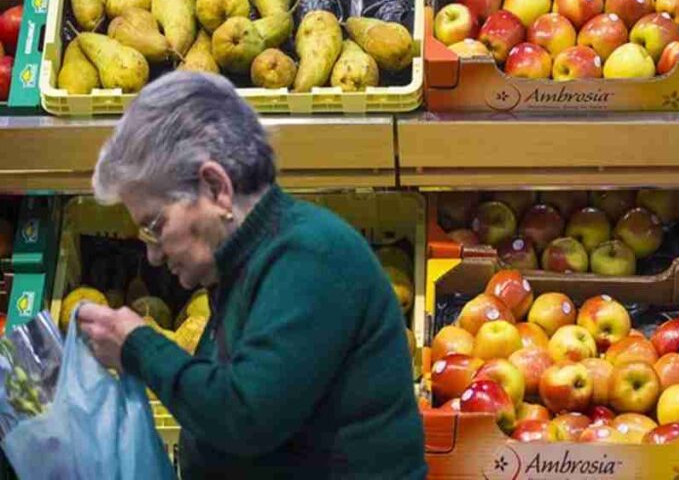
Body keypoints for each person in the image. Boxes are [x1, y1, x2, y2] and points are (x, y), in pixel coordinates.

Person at [77, 71, 426, 479]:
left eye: (155, 225)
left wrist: (138, 347)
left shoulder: (309, 259)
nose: (152, 255)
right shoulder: (243, 266)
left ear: (215, 188)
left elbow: (245, 417)